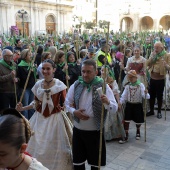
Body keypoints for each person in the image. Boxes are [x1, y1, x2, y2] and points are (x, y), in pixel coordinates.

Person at [16, 59, 73, 170]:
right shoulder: (38, 84)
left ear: (54, 70)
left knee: (54, 145)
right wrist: (22, 108)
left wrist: (68, 108)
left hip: (56, 119)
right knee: (36, 142)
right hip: (39, 119)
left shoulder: (60, 85)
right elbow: (35, 102)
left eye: (48, 69)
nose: (45, 71)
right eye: (43, 68)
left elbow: (66, 103)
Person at [65, 59, 118, 170]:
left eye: (88, 72)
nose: (85, 74)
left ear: (96, 72)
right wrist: (74, 111)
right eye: (83, 71)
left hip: (95, 132)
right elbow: (67, 103)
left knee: (95, 165)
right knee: (78, 164)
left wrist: (107, 102)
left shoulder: (103, 86)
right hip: (78, 130)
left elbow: (114, 108)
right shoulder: (76, 84)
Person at [119, 70, 150, 144]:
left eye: (132, 77)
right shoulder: (127, 86)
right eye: (129, 77)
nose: (131, 79)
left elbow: (145, 96)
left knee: (138, 119)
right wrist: (120, 102)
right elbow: (124, 96)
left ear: (136, 77)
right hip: (129, 104)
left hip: (137, 104)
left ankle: (138, 131)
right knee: (126, 120)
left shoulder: (140, 85)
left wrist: (146, 93)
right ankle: (126, 134)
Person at [100, 66, 125, 141]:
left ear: (108, 72)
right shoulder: (98, 80)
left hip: (110, 102)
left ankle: (114, 134)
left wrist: (118, 102)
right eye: (101, 70)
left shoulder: (112, 81)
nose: (102, 72)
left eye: (104, 70)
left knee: (112, 119)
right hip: (101, 102)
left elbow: (116, 92)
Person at [146, 42, 170, 118]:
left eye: (157, 48)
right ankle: (152, 110)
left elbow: (169, 67)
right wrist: (151, 58)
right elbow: (147, 64)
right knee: (151, 95)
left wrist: (166, 65)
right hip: (152, 78)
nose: (155, 49)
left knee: (159, 95)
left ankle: (159, 111)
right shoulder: (152, 54)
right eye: (154, 47)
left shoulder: (167, 55)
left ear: (161, 48)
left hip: (161, 79)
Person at [17, 49, 37, 119]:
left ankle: (31, 122)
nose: (31, 56)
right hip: (25, 88)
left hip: (32, 87)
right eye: (29, 55)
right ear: (25, 56)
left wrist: (34, 70)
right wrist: (30, 71)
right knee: (25, 106)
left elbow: (35, 76)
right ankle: (25, 122)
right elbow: (23, 78)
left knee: (32, 106)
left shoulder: (32, 65)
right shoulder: (20, 66)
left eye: (31, 54)